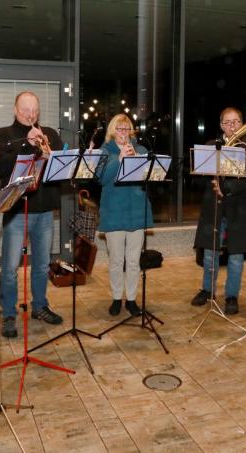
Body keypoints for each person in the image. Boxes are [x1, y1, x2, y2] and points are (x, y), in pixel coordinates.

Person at [0, 91, 64, 337]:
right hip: (16, 210)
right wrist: (27, 144)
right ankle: (9, 314)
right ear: (15, 110)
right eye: (25, 111)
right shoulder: (4, 136)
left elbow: (62, 168)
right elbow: (0, 168)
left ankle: (40, 306)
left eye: (35, 111)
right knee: (11, 267)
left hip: (44, 211)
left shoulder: (51, 134)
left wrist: (51, 153)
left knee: (42, 265)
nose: (31, 115)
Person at [190, 107, 246, 315]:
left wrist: (227, 189)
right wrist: (207, 175)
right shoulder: (211, 146)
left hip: (240, 207)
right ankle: (207, 290)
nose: (232, 126)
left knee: (235, 256)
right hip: (213, 207)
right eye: (228, 122)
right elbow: (199, 176)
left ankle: (232, 295)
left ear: (242, 124)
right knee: (209, 254)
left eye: (236, 122)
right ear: (221, 125)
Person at [98, 113, 154, 317]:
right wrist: (119, 159)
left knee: (133, 261)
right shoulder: (104, 152)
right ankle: (116, 298)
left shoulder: (141, 150)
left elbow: (148, 177)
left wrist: (136, 159)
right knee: (115, 260)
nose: (123, 133)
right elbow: (102, 179)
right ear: (112, 132)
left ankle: (131, 299)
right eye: (119, 129)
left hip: (137, 212)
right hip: (113, 212)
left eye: (126, 129)